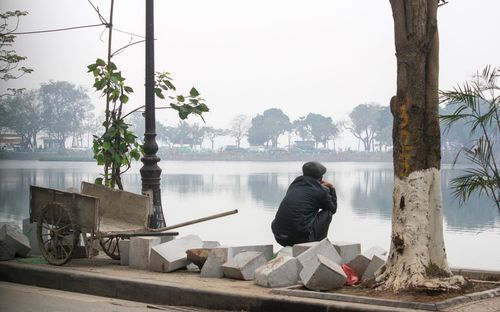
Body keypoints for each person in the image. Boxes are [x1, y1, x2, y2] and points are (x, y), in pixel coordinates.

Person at [271, 161, 337, 247]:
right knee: (327, 213)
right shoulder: (320, 191)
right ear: (321, 177)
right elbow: (333, 209)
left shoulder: (295, 184)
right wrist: (332, 188)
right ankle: (318, 247)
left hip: (280, 237)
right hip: (299, 240)